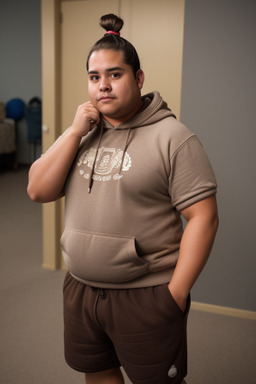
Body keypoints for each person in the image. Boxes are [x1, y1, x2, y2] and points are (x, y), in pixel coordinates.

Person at [27, 14, 218, 384]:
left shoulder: (174, 138)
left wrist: (174, 296)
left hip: (146, 296)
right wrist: (73, 131)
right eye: (95, 77)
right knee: (98, 375)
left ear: (138, 78)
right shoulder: (81, 134)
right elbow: (38, 190)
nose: (104, 86)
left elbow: (204, 218)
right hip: (81, 290)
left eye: (115, 74)